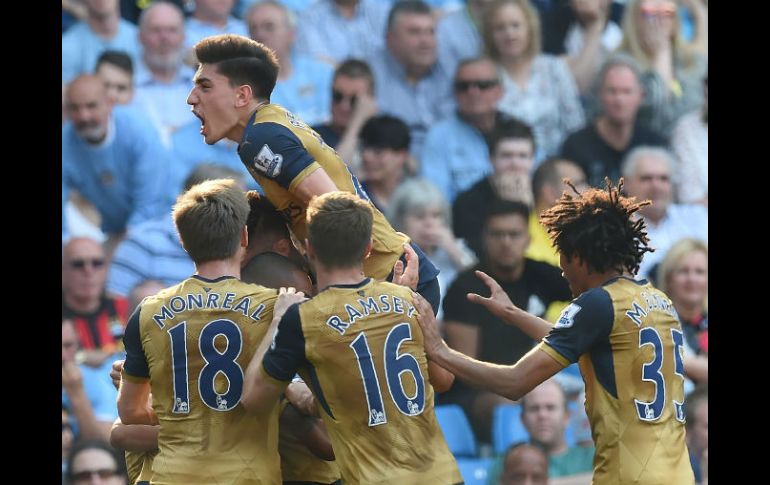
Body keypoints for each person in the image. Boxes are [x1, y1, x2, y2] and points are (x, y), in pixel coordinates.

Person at [414, 178, 695, 484]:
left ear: (579, 256)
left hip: (627, 474)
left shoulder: (598, 303)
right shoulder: (658, 300)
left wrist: (439, 351)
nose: (561, 269)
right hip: (677, 472)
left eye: (562, 255)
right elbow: (586, 341)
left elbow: (514, 383)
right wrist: (512, 314)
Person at [186, 34, 439, 313]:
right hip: (387, 273)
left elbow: (337, 208)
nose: (191, 98)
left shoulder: (259, 140)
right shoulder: (271, 122)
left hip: (390, 278)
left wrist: (355, 293)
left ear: (242, 95)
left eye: (205, 87)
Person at [240, 191, 462, 484]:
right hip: (442, 476)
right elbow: (444, 380)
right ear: (368, 248)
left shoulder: (303, 319)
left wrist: (278, 321)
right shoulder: (407, 298)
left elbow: (253, 400)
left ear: (309, 249)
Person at [117, 178, 305, 483]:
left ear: (184, 242)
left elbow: (131, 412)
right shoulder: (279, 307)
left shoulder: (147, 312)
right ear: (244, 236)